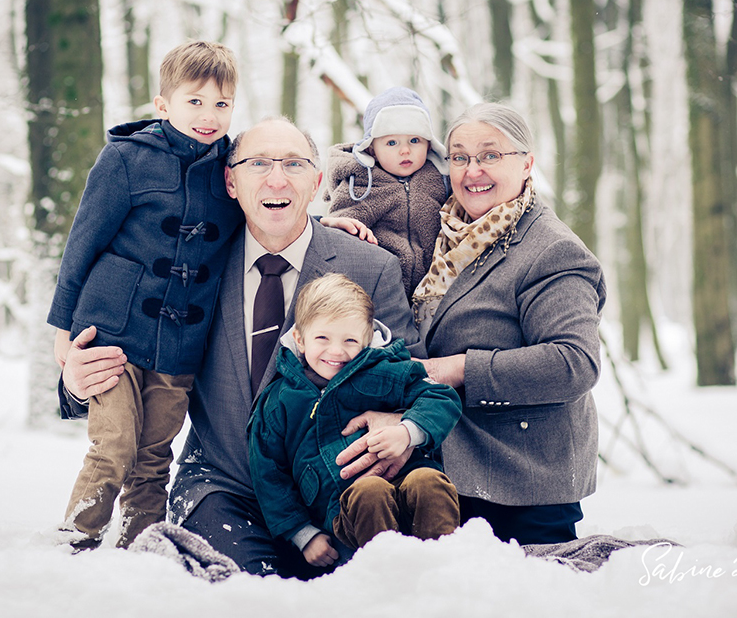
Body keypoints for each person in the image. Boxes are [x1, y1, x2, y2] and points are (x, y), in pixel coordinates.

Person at [60, 117, 422, 576]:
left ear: (315, 182)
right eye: (258, 164)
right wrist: (76, 383)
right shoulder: (187, 266)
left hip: (336, 492)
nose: (277, 178)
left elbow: (413, 371)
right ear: (230, 181)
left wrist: (399, 420)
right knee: (244, 596)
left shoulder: (368, 266)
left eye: (294, 164)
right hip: (223, 489)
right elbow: (132, 354)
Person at [48, 40, 243, 550]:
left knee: (155, 454)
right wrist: (62, 330)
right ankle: (75, 540)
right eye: (194, 101)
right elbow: (81, 243)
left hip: (182, 342)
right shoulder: (126, 160)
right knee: (113, 444)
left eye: (221, 104)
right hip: (111, 330)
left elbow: (275, 209)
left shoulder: (235, 167)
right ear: (163, 105)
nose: (209, 115)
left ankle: (140, 548)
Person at [407, 102, 607, 545]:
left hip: (522, 484)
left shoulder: (551, 250)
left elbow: (574, 363)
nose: (472, 170)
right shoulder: (443, 235)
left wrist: (456, 368)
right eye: (459, 157)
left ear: (527, 163)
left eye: (490, 155)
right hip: (448, 470)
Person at [249, 273, 462, 570]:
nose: (337, 352)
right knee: (369, 492)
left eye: (350, 340)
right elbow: (268, 471)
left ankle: (446, 576)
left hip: (409, 478)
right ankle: (386, 584)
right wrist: (303, 534)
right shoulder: (282, 399)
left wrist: (407, 432)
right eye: (322, 338)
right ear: (299, 338)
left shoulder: (384, 370)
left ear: (366, 339)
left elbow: (442, 397)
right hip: (342, 510)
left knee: (428, 482)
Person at [324, 87, 449, 297]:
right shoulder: (361, 183)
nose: (405, 150)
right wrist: (335, 223)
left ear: (428, 144)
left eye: (414, 140)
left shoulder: (440, 179)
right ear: (372, 149)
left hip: (434, 290)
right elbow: (338, 228)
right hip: (377, 291)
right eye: (392, 142)